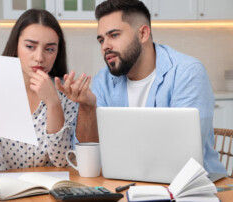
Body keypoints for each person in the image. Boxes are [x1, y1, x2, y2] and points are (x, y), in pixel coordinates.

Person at [55, 0, 227, 174]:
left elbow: (185, 153)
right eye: (101, 40)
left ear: (143, 34)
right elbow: (90, 158)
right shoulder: (103, 80)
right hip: (125, 184)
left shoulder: (187, 73)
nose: (105, 46)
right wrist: (87, 107)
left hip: (190, 188)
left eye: (114, 35)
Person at [0, 9, 78, 171]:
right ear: (16, 46)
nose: (39, 57)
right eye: (30, 46)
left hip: (51, 191)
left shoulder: (66, 93)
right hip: (5, 191)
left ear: (58, 52)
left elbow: (62, 161)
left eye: (49, 49)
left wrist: (53, 103)